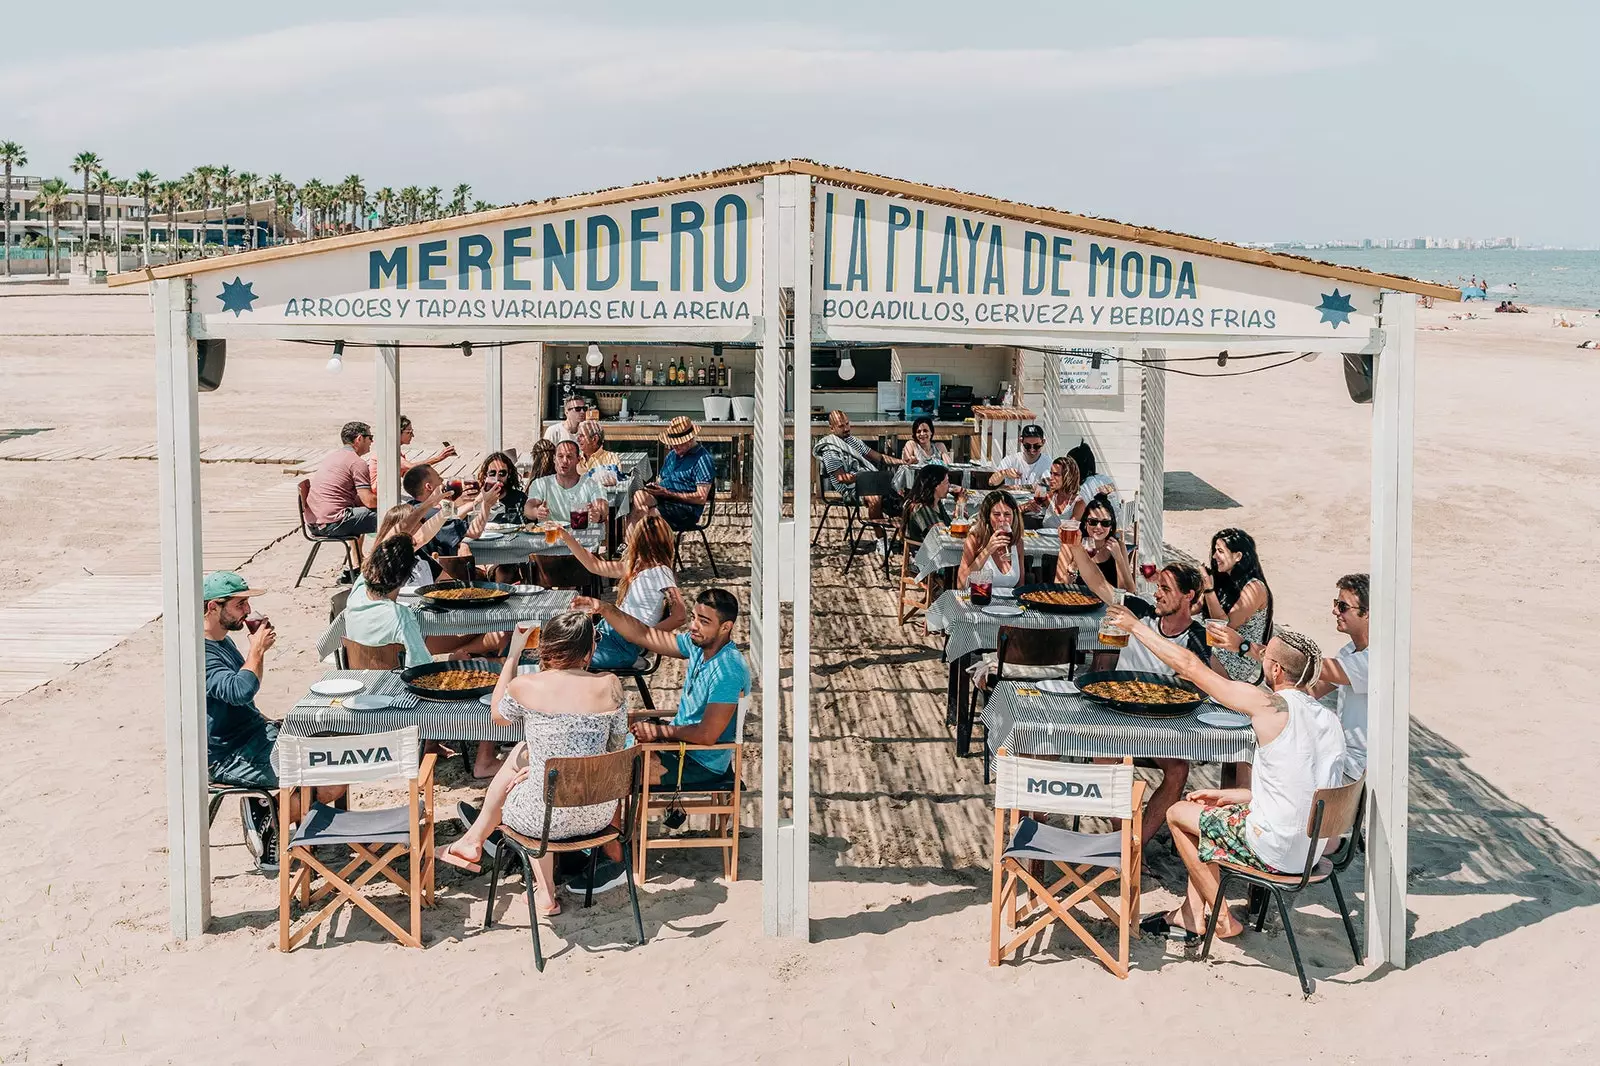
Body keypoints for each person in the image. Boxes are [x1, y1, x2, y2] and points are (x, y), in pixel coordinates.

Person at [1102, 612, 1346, 940]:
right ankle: (1190, 914)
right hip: (1310, 850)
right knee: (1207, 812)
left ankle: (1222, 919)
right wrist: (1243, 796)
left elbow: (1191, 667)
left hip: (1275, 850)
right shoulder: (1329, 720)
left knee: (1177, 814)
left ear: (1275, 669)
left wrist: (1135, 627)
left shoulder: (1269, 706)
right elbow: (1307, 789)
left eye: (1267, 656)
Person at [438, 612, 633, 908]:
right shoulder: (611, 684)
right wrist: (544, 768)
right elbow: (613, 748)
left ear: (546, 648)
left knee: (520, 763)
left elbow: (498, 715)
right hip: (599, 815)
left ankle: (541, 889)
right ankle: (476, 840)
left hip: (544, 822)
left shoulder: (526, 686)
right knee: (525, 758)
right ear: (589, 650)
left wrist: (514, 653)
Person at [1070, 547, 1224, 841]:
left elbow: (1198, 683)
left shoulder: (1197, 639)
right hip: (1118, 717)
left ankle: (1135, 843)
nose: (1157, 594)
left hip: (1161, 725)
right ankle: (1125, 841)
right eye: (1158, 587)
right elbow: (1097, 583)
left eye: (1166, 589)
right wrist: (1076, 546)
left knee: (1179, 769)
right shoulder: (1139, 611)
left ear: (1188, 596)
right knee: (1105, 756)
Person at [203, 571, 343, 863]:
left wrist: (267, 721)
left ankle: (269, 813)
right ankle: (269, 816)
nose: (247, 611)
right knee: (332, 780)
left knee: (333, 750)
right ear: (213, 607)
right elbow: (239, 691)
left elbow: (241, 700)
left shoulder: (221, 640)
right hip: (230, 756)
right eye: (240, 604)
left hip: (252, 734)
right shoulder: (199, 653)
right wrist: (256, 649)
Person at [573, 587, 750, 794]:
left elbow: (707, 735)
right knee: (599, 749)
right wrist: (605, 609)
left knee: (607, 772)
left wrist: (657, 732)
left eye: (704, 621)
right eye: (694, 617)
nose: (693, 626)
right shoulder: (698, 646)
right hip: (678, 745)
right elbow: (645, 635)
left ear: (726, 627)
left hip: (699, 763)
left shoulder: (728, 671)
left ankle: (613, 825)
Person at [557, 515, 686, 670]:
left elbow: (680, 616)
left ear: (638, 541)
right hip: (608, 632)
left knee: (561, 656)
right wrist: (565, 536)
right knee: (558, 641)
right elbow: (595, 566)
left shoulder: (660, 572)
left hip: (622, 642)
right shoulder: (638, 566)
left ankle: (628, 659)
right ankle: (628, 659)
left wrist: (645, 638)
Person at [1311, 573, 1370, 779]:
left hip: (1358, 769)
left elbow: (1318, 668)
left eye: (1343, 606)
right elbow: (1314, 689)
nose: (1334, 610)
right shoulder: (1350, 650)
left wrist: (1252, 649)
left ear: (1367, 613)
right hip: (1343, 758)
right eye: (1336, 603)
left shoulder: (1375, 659)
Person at [344, 535, 433, 666]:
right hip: (395, 683)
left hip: (359, 676)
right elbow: (421, 667)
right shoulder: (402, 618)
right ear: (406, 578)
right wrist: (452, 661)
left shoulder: (358, 590)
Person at [1199, 528, 1274, 683]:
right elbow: (1194, 607)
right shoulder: (1225, 579)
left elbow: (1225, 626)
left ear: (1238, 556)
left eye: (1220, 551)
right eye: (1214, 550)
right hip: (1217, 648)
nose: (1214, 556)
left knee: (1183, 659)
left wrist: (1208, 589)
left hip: (1236, 657)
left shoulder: (1254, 588)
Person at [815, 410, 904, 523]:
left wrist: (902, 461)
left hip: (871, 482)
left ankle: (904, 536)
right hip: (850, 489)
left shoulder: (852, 440)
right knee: (875, 498)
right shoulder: (830, 448)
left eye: (847, 424)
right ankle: (881, 539)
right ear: (832, 428)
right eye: (841, 426)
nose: (846, 428)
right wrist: (866, 478)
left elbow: (879, 457)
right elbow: (842, 478)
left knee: (904, 498)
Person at [402, 463, 496, 566]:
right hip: (444, 573)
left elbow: (450, 516)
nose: (443, 481)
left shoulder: (412, 507)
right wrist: (487, 503)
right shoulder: (431, 514)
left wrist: (474, 501)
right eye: (439, 478)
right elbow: (474, 532)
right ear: (429, 487)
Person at [632, 416, 714, 532]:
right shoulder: (672, 455)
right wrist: (655, 486)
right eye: (672, 443)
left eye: (678, 444)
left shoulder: (702, 459)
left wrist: (669, 494)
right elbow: (662, 479)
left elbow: (701, 497)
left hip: (685, 509)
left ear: (689, 440)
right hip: (664, 499)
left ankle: (647, 547)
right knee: (639, 497)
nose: (673, 447)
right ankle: (630, 547)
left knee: (650, 517)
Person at [304, 421, 378, 543]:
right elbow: (369, 501)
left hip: (314, 524)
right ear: (359, 439)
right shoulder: (357, 462)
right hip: (333, 524)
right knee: (393, 516)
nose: (372, 441)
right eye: (370, 437)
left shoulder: (333, 457)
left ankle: (359, 557)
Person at [526, 440, 608, 525]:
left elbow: (602, 506)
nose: (564, 461)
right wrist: (536, 512)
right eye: (560, 456)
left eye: (569, 457)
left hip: (582, 536)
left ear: (578, 459)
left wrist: (598, 514)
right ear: (554, 459)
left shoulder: (592, 484)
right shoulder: (541, 483)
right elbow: (528, 508)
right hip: (551, 534)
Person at [957, 490, 1023, 591]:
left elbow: (1020, 587)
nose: (1002, 519)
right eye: (997, 514)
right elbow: (961, 585)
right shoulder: (975, 540)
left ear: (1014, 516)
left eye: (1007, 514)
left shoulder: (1017, 543)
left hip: (1008, 605)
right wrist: (987, 550)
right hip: (980, 602)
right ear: (988, 517)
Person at [364, 414, 455, 487]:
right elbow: (411, 467)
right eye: (409, 432)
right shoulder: (389, 451)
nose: (412, 435)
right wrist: (439, 458)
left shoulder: (391, 449)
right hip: (379, 498)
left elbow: (409, 474)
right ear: (397, 433)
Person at [901, 464, 952, 545]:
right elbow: (941, 533)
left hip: (939, 547)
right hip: (925, 553)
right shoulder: (921, 508)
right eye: (946, 482)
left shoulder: (937, 503)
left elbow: (950, 526)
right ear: (935, 485)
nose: (949, 485)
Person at [988, 423, 1052, 488]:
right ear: (1021, 441)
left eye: (1036, 446)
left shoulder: (1048, 463)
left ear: (1043, 442)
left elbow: (1048, 487)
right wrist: (1005, 473)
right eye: (1027, 446)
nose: (1032, 450)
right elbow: (991, 482)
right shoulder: (1010, 460)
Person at [476, 451, 527, 526]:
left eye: (502, 473)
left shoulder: (519, 498)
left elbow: (528, 526)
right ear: (485, 475)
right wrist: (478, 500)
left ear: (509, 473)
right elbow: (458, 518)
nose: (497, 478)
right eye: (492, 473)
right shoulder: (477, 497)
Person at [1037, 455, 1082, 529]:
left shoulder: (1078, 502)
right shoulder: (1049, 496)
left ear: (1068, 477)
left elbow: (1071, 528)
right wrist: (1028, 507)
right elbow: (1025, 506)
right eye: (1051, 473)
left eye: (1056, 474)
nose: (1051, 478)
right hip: (1043, 539)